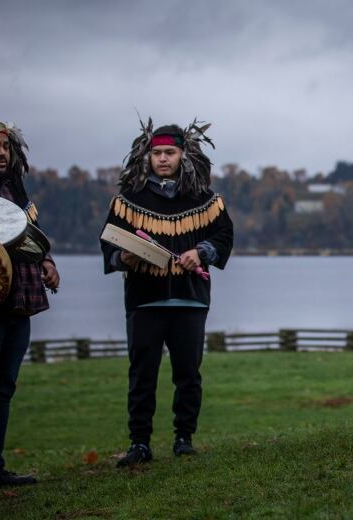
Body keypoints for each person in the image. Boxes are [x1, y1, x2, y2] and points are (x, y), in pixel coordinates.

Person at [100, 121, 233, 467]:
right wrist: (123, 256)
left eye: (169, 153)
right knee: (141, 374)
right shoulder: (128, 200)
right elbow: (107, 242)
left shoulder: (206, 198)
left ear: (183, 155)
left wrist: (201, 252)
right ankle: (139, 443)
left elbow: (224, 236)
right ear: (147, 155)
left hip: (190, 299)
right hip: (145, 301)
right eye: (156, 153)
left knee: (188, 373)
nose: (162, 159)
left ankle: (184, 437)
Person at [0, 117, 60, 493]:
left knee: (2, 388)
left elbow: (29, 241)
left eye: (6, 147)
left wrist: (47, 262)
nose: (2, 153)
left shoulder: (14, 190)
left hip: (18, 304)